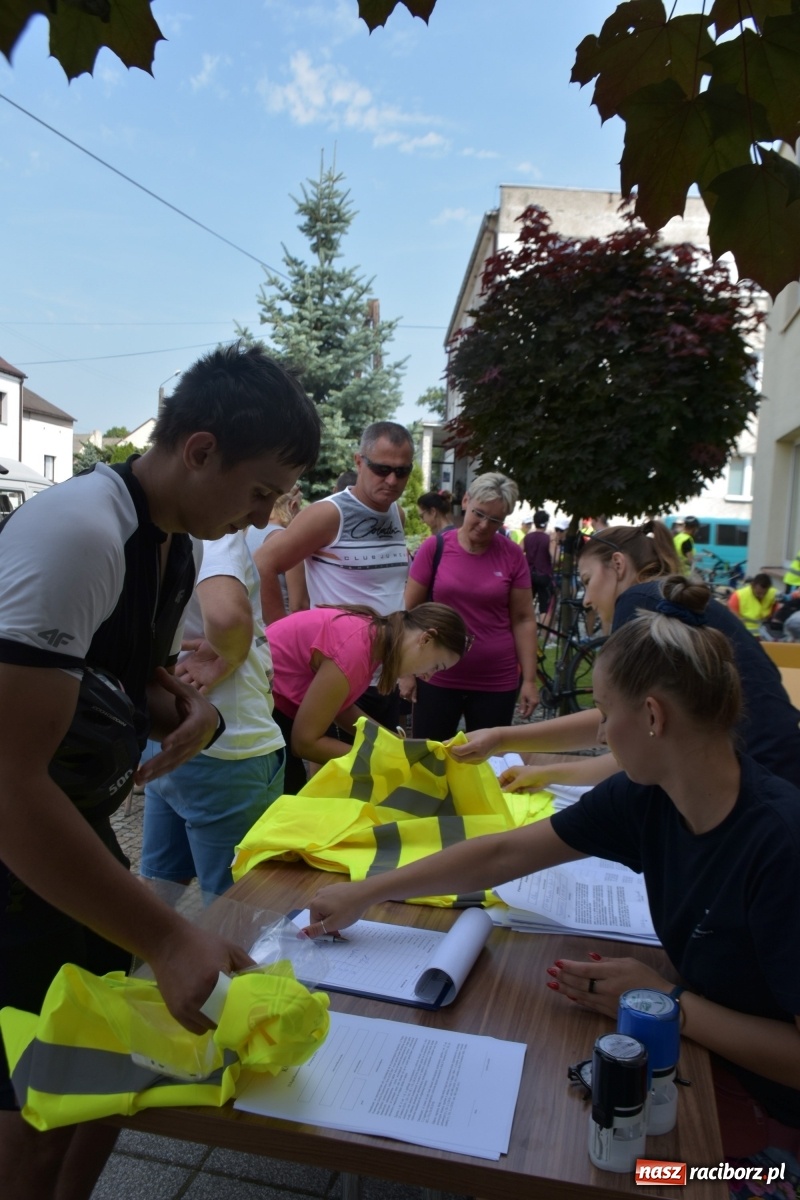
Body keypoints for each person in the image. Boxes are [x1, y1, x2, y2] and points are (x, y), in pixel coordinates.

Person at [307, 578, 800, 1173]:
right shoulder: (650, 796)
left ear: (652, 716)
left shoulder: (780, 846)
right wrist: (368, 891)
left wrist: (667, 1002)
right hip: (696, 1067)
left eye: (605, 715)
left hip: (771, 1122)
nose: (600, 736)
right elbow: (503, 854)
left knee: (641, 1178)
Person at [0, 343, 320, 1200]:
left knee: (109, 1066)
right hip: (23, 838)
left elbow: (116, 674)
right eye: (260, 492)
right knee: (34, 1104)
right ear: (201, 450)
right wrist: (169, 937)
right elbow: (8, 784)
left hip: (71, 819)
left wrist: (191, 711)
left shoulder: (171, 540)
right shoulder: (79, 533)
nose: (263, 517)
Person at [451, 520, 800, 792]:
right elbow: (618, 724)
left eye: (587, 580)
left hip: (755, 779)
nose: (587, 599)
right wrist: (513, 747)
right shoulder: (662, 600)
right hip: (774, 771)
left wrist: (510, 743)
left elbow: (624, 735)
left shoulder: (638, 600)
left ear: (618, 564)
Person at [140, 530, 287, 896]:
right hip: (229, 742)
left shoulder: (148, 527)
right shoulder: (217, 530)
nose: (260, 516)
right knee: (238, 901)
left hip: (165, 728)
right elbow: (226, 617)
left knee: (161, 883)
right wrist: (227, 657)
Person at [254, 421, 413, 732]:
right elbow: (263, 565)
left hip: (385, 674)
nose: (392, 480)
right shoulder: (328, 514)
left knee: (384, 759)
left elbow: (390, 591)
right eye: (382, 469)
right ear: (359, 461)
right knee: (340, 762)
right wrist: (282, 642)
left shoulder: (397, 514)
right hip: (340, 675)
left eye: (402, 471)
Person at [266, 602, 469, 793]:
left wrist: (396, 744)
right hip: (262, 705)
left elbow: (338, 706)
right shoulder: (355, 650)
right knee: (285, 795)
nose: (427, 677)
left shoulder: (372, 634)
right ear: (425, 639)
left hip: (269, 702)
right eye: (436, 666)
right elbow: (304, 744)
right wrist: (384, 760)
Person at [402, 472, 538, 741]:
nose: (485, 525)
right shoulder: (435, 548)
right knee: (429, 758)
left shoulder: (512, 555)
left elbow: (523, 619)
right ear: (465, 501)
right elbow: (408, 613)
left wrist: (530, 680)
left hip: (495, 680)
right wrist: (405, 671)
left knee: (487, 762)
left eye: (495, 520)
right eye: (479, 514)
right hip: (436, 676)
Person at [245, 486, 308, 617]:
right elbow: (298, 605)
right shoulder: (288, 541)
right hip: (281, 622)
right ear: (292, 506)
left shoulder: (248, 531)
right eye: (299, 506)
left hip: (253, 621)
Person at [522, 509, 554, 617]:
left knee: (525, 605)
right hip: (544, 575)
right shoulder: (548, 539)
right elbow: (555, 558)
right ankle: (543, 628)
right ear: (546, 523)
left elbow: (518, 552)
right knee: (545, 608)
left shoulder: (527, 537)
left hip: (528, 574)